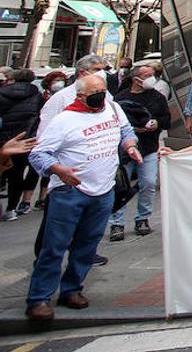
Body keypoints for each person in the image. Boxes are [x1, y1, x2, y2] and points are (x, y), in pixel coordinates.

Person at [26, 74, 142, 320]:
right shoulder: (64, 120)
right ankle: (39, 298)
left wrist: (130, 145)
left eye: (102, 89)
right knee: (54, 247)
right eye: (94, 92)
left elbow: (126, 130)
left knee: (87, 246)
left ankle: (72, 289)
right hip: (70, 192)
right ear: (80, 96)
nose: (100, 95)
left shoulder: (112, 107)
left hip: (103, 190)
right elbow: (39, 154)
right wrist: (59, 170)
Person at [107, 66, 170, 241]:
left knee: (149, 183)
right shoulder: (121, 98)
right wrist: (133, 130)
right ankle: (116, 222)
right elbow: (114, 123)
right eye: (147, 76)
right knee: (121, 185)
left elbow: (166, 119)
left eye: (152, 75)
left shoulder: (158, 97)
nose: (152, 78)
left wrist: (157, 123)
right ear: (136, 79)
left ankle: (143, 218)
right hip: (124, 151)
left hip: (149, 147)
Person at [0, 69, 42, 220]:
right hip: (25, 140)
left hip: (4, 139)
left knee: (6, 173)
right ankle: (11, 208)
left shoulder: (3, 93)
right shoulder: (37, 96)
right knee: (16, 175)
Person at [38, 55, 109, 141]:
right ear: (82, 72)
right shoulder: (61, 98)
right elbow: (45, 132)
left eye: (103, 70)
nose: (102, 73)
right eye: (97, 70)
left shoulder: (106, 95)